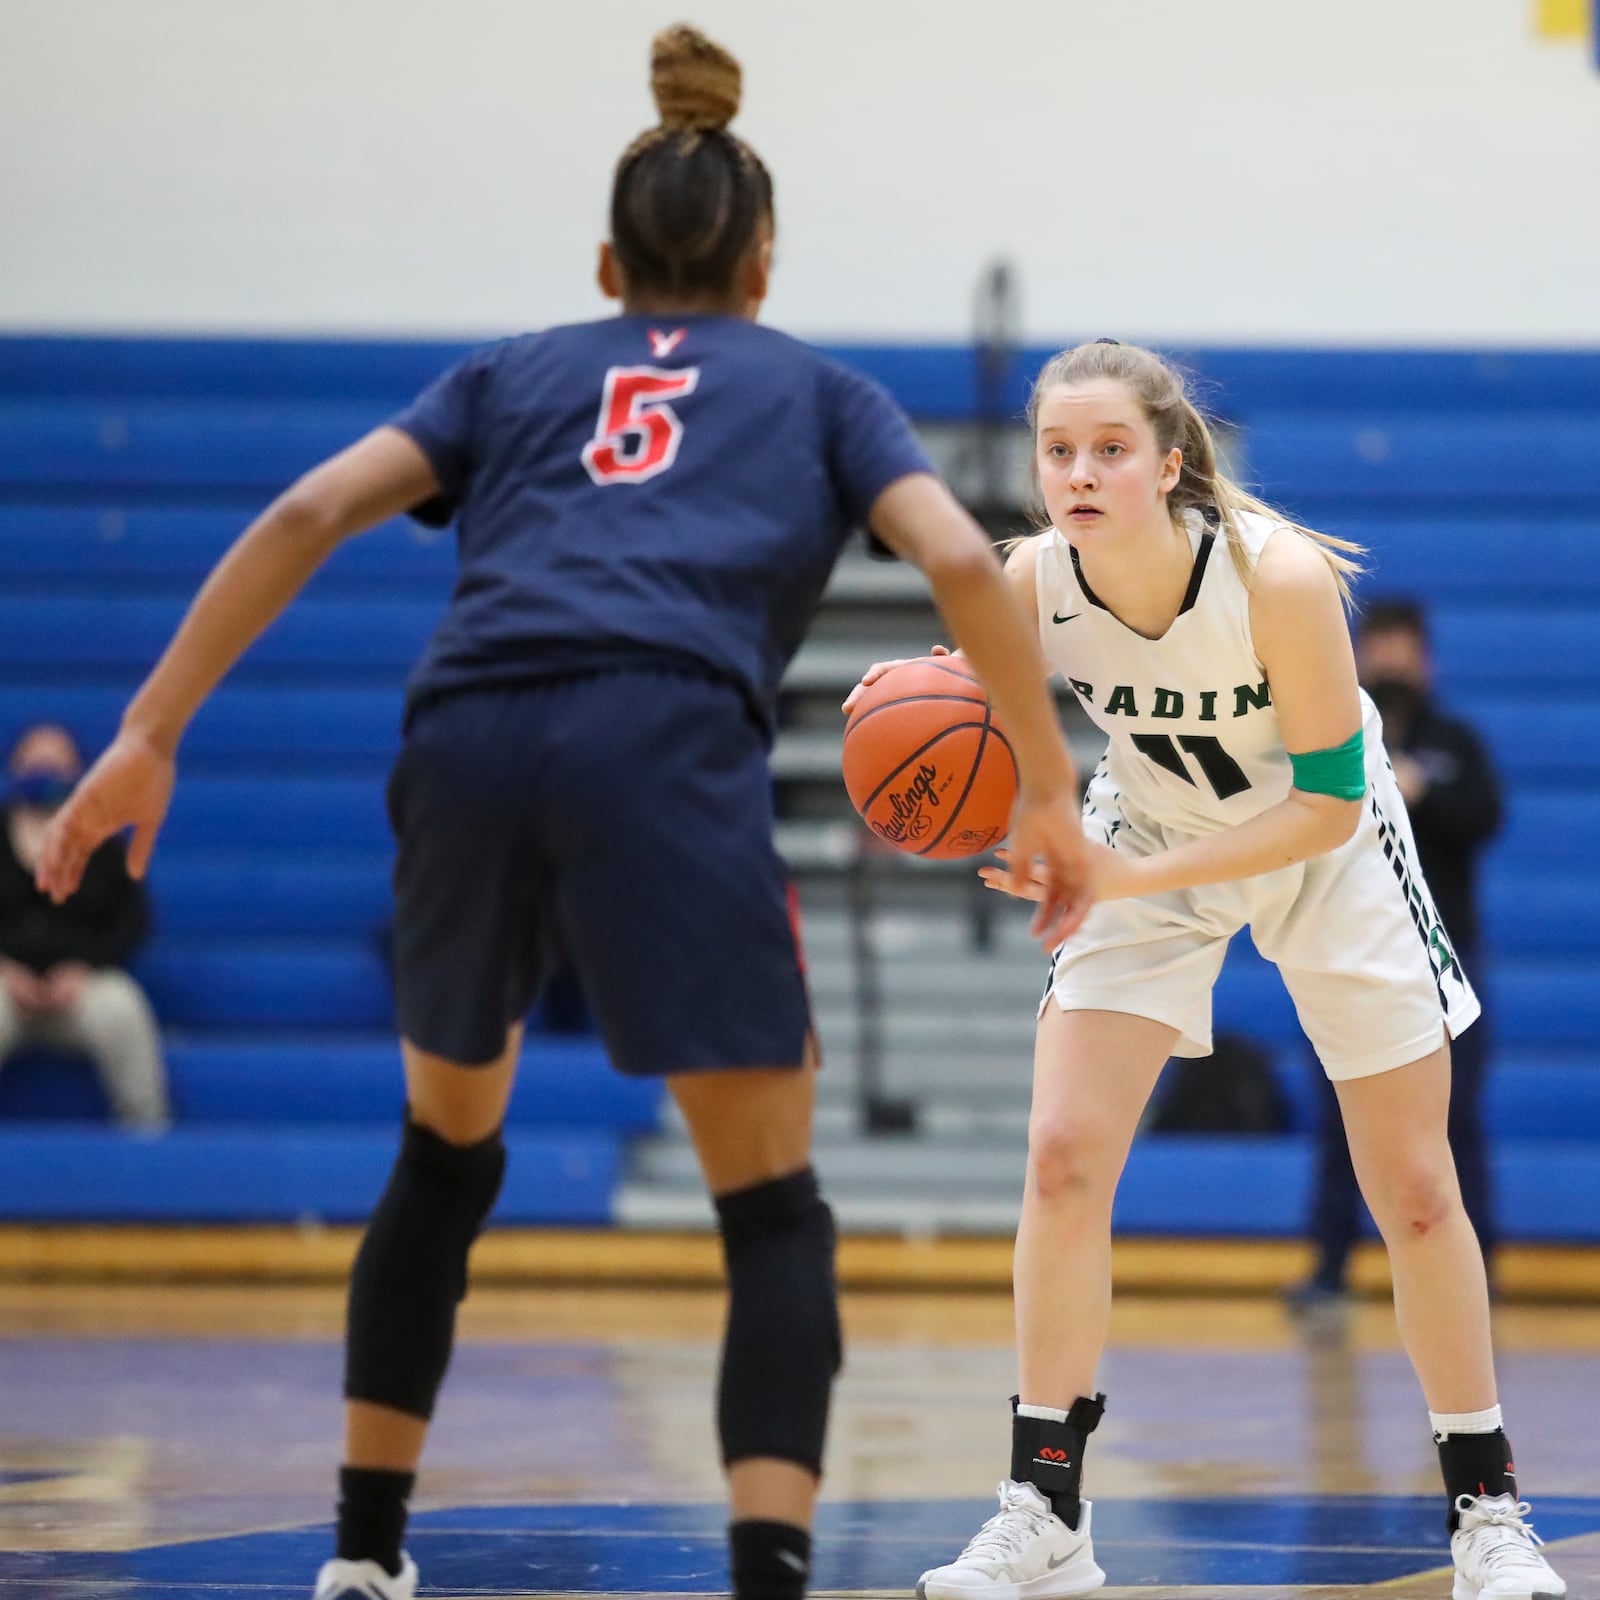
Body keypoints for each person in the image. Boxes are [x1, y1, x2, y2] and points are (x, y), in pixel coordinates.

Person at [34, 27, 1094, 1600]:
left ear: (610, 262)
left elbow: (308, 507)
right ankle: (766, 1573)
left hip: (464, 727)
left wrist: (147, 730)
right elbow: (951, 556)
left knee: (445, 1154)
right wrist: (1054, 790)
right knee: (774, 1209)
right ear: (764, 265)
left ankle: (361, 1557)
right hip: (660, 731)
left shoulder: (514, 372)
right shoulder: (816, 392)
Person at [845, 340, 1563, 1600]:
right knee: (1063, 1156)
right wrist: (906, 703)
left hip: (1323, 848)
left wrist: (1108, 879)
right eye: (1057, 452)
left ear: (1169, 464)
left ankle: (1488, 1510)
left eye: (1109, 449)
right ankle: (1045, 1509)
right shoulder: (1030, 580)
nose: (1077, 472)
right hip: (1156, 829)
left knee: (1409, 1186)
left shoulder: (1271, 575)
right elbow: (976, 716)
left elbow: (1333, 808)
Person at [1291, 598, 1504, 1306]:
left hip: (1444, 956)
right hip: (1350, 953)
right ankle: (1330, 1270)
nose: (1387, 659)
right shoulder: (1328, 733)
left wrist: (1423, 793)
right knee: (1339, 1118)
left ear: (1426, 659)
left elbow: (1487, 814)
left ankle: (1477, 1270)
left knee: (1457, 1119)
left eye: (1400, 646)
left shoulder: (1456, 740)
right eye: (1375, 645)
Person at [0, 723, 169, 1130]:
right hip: (4, 988)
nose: (44, 773)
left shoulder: (105, 845)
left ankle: (147, 1138)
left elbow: (132, 924)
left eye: (56, 765)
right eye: (34, 763)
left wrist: (84, 968)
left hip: (82, 988)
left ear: (78, 773)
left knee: (124, 1009)